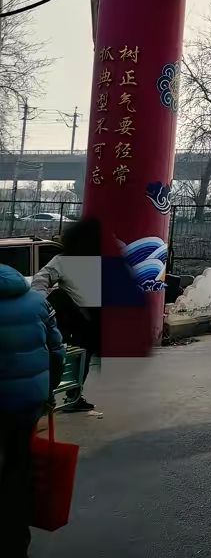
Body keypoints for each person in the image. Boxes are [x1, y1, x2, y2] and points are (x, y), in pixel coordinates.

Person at [0, 263, 66, 558]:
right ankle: (15, 544)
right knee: (17, 469)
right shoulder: (37, 302)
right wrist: (48, 391)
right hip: (26, 404)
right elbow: (57, 351)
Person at [30, 219, 100, 412]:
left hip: (92, 318)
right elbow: (40, 280)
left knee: (83, 358)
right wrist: (42, 302)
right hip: (73, 316)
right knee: (62, 356)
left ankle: (74, 395)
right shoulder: (62, 260)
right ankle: (49, 396)